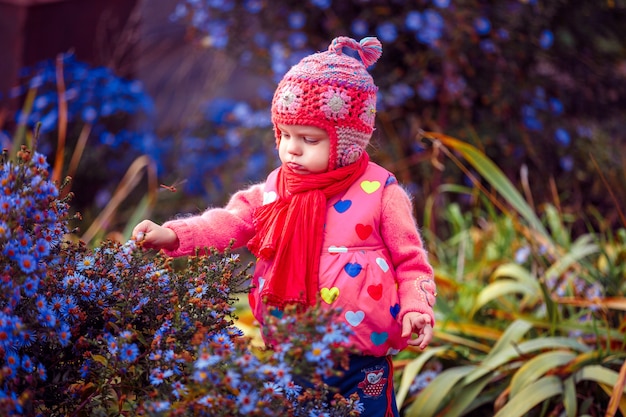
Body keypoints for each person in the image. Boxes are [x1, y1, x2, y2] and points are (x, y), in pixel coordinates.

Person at [132, 36, 437, 417]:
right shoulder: (276, 190)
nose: (292, 149)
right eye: (285, 135)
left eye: (309, 139)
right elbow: (229, 222)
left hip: (361, 356)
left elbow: (411, 262)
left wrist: (416, 308)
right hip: (292, 353)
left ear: (347, 140)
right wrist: (174, 234)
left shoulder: (381, 193)